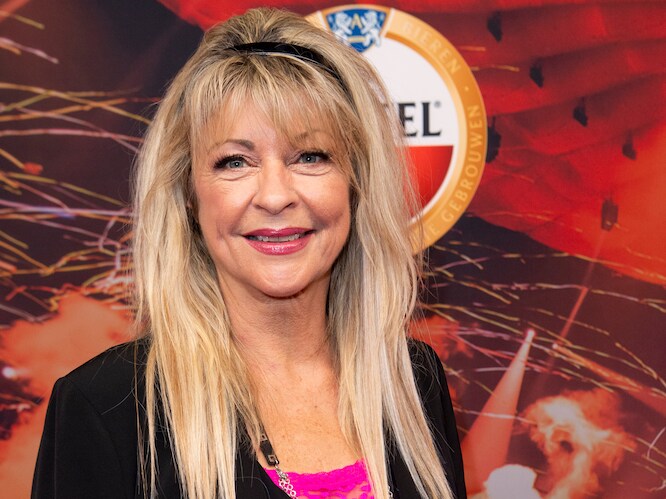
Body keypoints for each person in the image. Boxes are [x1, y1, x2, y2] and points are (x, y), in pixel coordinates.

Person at [31, 8, 465, 499]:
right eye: (235, 161)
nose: (275, 196)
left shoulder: (413, 381)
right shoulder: (105, 409)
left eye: (311, 156)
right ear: (189, 194)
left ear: (356, 183)